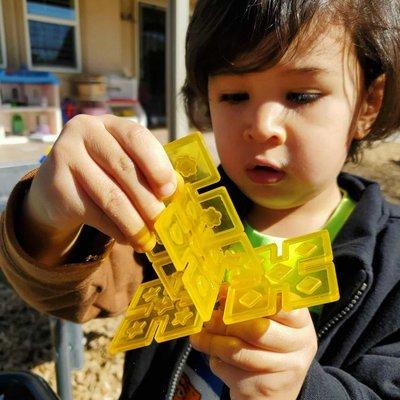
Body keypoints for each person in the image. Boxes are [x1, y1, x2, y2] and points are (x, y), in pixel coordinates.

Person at [1, 0, 400, 399]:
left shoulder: (392, 269)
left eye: (301, 94)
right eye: (234, 95)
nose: (262, 127)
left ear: (369, 102)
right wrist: (47, 220)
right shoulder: (175, 211)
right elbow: (72, 293)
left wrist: (305, 389)